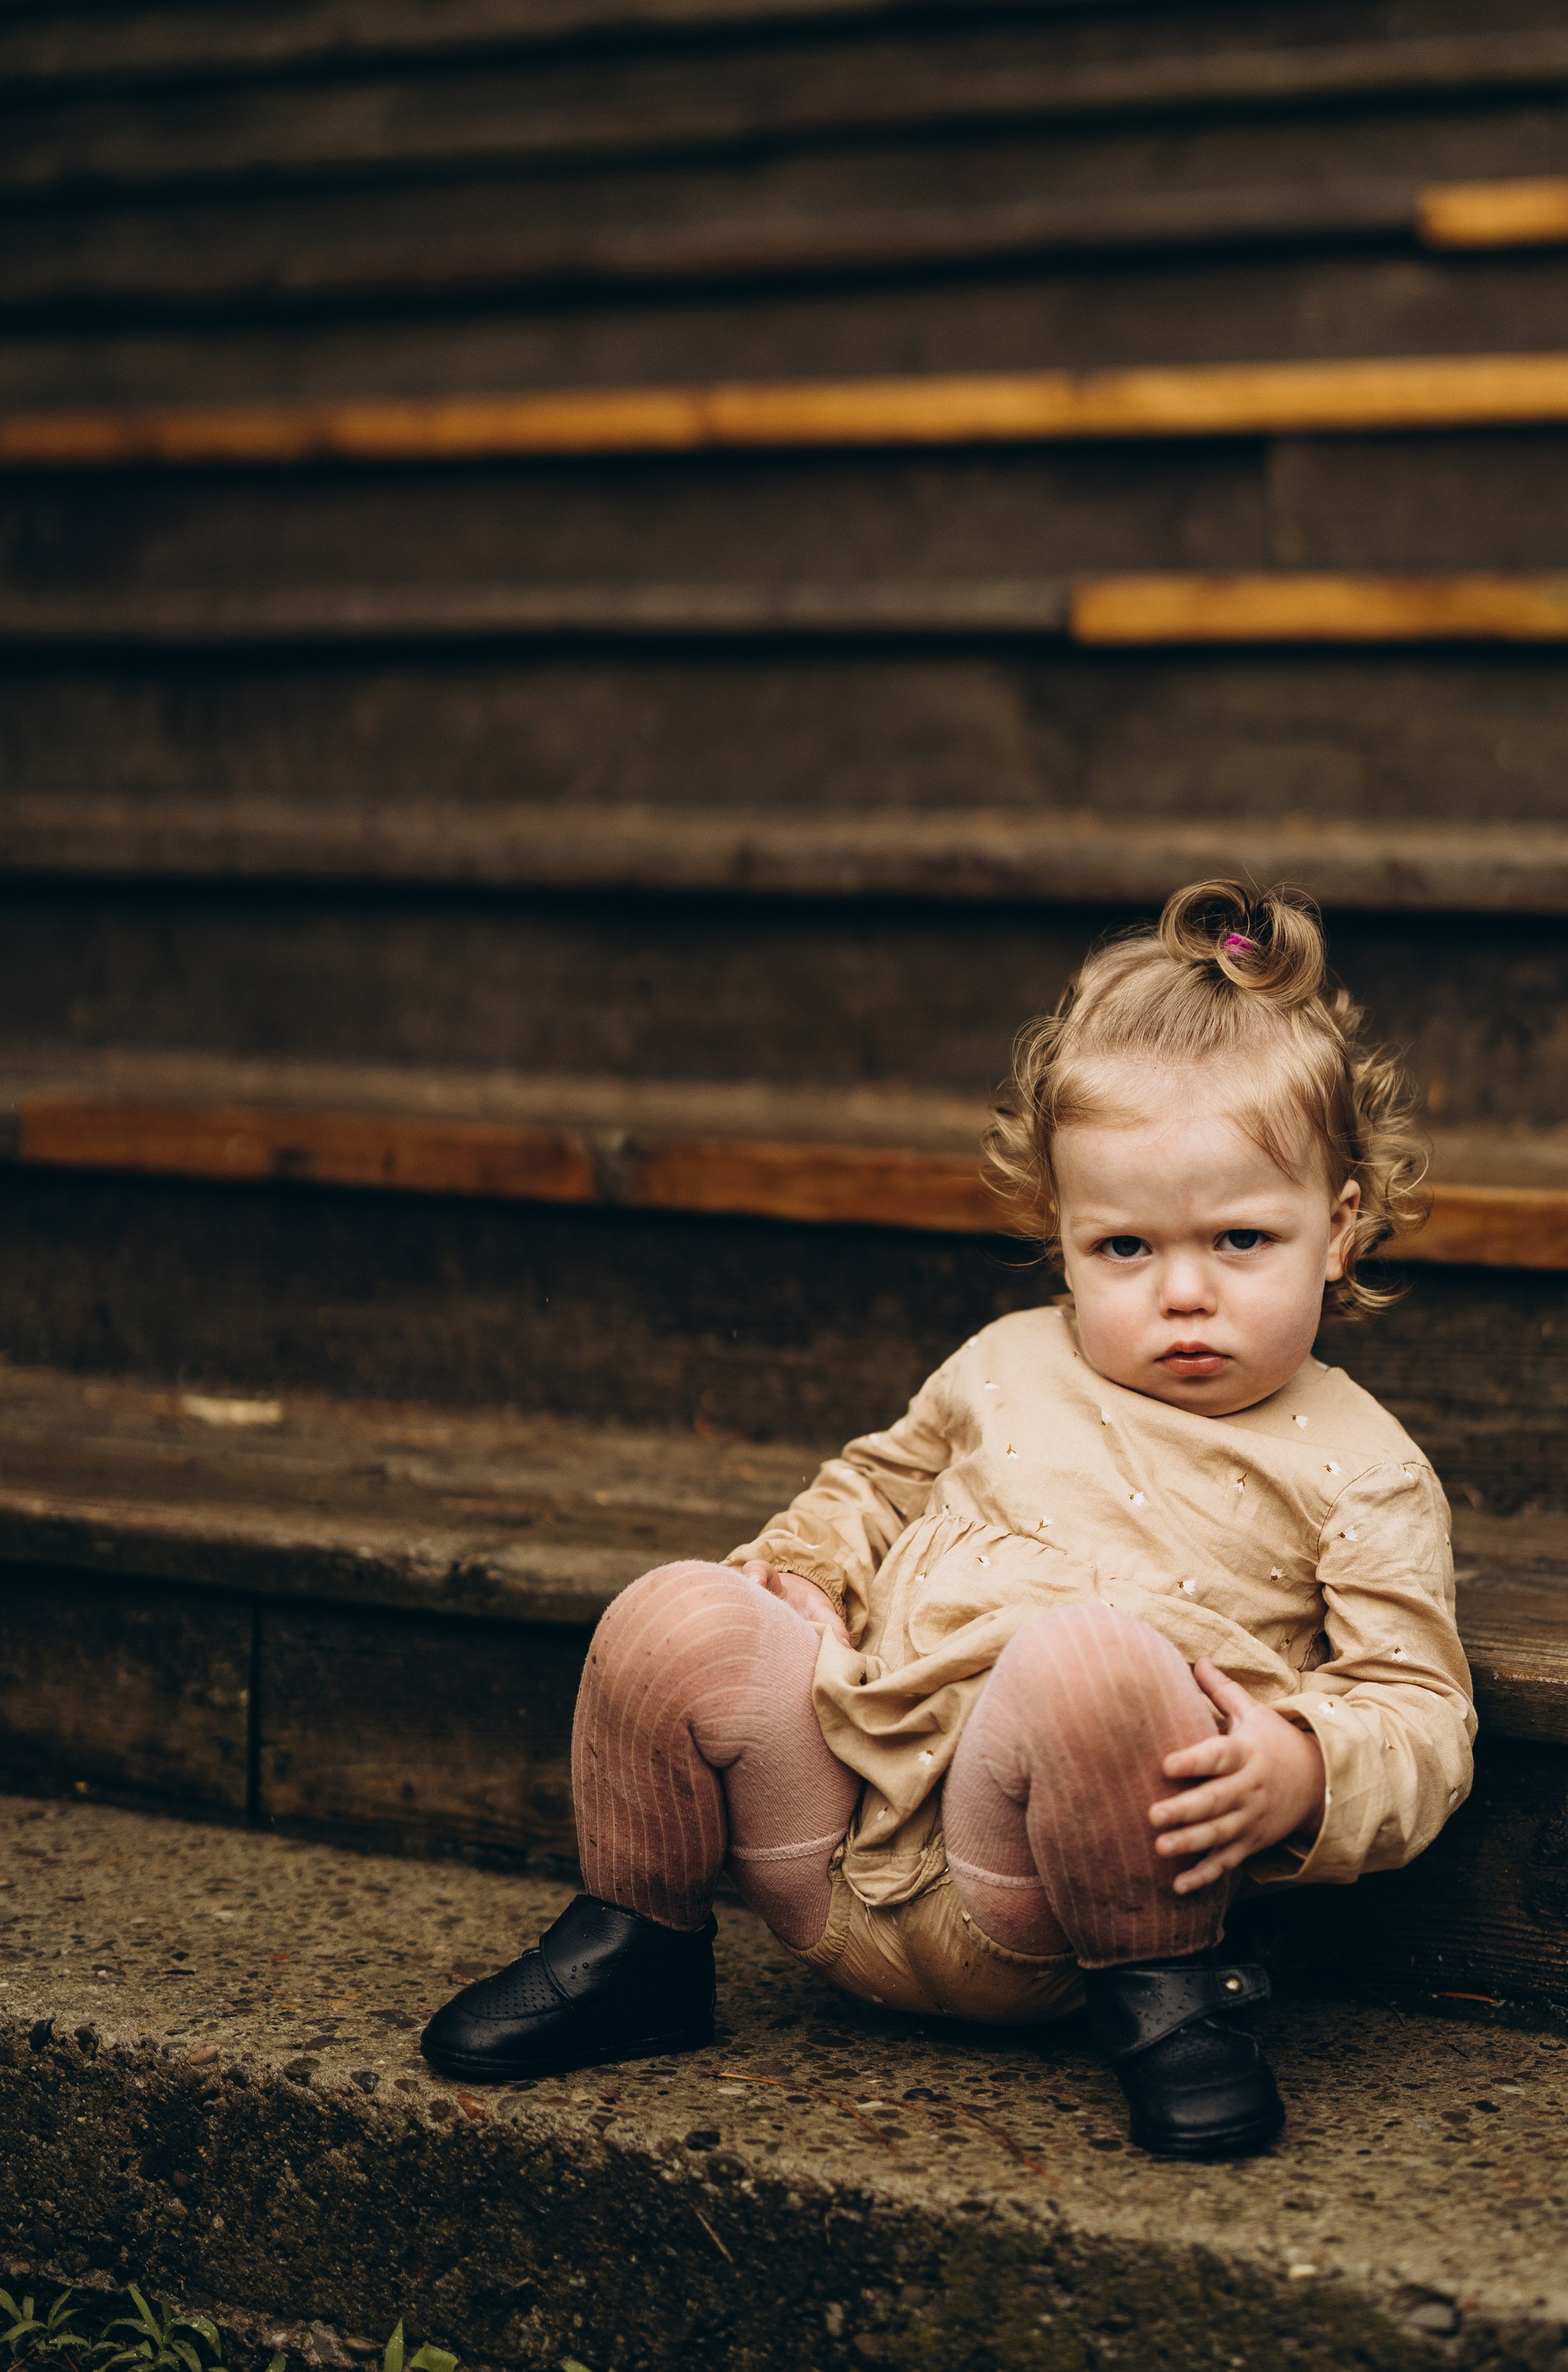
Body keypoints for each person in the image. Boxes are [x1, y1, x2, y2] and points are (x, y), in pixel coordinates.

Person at [423, 879, 1476, 2159]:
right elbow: (871, 1487)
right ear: (1061, 1234)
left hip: (1047, 1903)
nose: (1183, 1293)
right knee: (675, 1612)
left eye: (1242, 1239)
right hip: (833, 1853)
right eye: (1123, 1249)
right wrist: (806, 1570)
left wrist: (1309, 1766)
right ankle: (639, 1945)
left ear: (1339, 1232)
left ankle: (1171, 2009)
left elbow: (1417, 1706)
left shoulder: (1359, 1467)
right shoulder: (1004, 1363)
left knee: (1086, 1659)